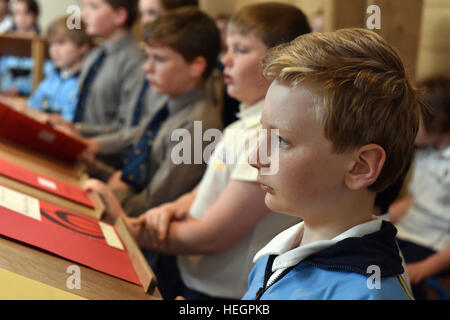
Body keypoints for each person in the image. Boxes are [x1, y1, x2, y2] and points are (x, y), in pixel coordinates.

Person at [86, 2, 311, 300]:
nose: (225, 60)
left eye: (241, 50)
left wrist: (126, 226)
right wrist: (174, 207)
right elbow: (206, 190)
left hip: (222, 294)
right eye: (227, 48)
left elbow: (211, 236)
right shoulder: (240, 126)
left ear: (279, 63)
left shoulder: (266, 137)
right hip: (194, 277)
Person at [243, 28, 423, 300]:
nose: (254, 157)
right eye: (263, 131)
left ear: (360, 166)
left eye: (281, 140)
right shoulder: (282, 250)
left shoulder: (365, 293)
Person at [43, 0, 145, 138]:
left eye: (93, 6)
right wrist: (69, 126)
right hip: (79, 143)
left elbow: (128, 126)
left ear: (119, 16)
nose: (84, 13)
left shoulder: (135, 62)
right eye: (83, 7)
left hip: (107, 154)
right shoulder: (93, 56)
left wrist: (79, 130)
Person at [390, 76, 450, 299]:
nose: (405, 126)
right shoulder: (425, 152)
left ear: (438, 119)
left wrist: (423, 268)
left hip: (432, 247)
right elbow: (413, 201)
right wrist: (377, 220)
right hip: (405, 234)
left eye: (413, 120)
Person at [27, 16, 93, 121]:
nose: (54, 50)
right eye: (51, 44)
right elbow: (32, 106)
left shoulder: (87, 81)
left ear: (83, 47)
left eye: (61, 43)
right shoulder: (52, 76)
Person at [0, 0, 47, 96]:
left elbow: (46, 75)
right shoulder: (5, 40)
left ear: (36, 14)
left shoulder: (43, 43)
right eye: (17, 13)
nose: (21, 18)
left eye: (27, 13)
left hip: (29, 96)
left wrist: (19, 87)